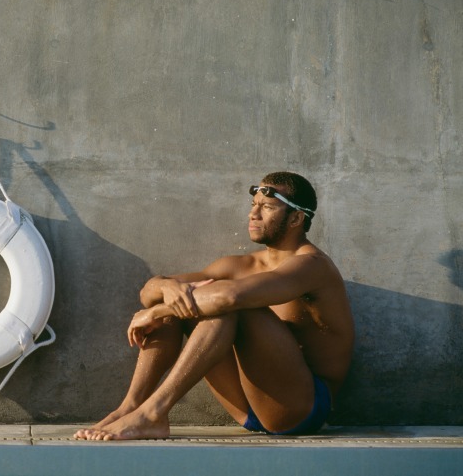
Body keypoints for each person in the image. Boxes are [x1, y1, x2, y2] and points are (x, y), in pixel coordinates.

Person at [74, 172, 354, 441]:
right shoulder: (241, 265)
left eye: (267, 207)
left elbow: (230, 299)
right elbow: (149, 293)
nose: (253, 214)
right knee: (180, 298)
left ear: (296, 218)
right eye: (253, 205)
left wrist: (160, 310)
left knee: (232, 305)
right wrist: (167, 288)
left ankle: (154, 412)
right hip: (247, 410)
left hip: (300, 409)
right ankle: (131, 407)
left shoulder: (312, 267)